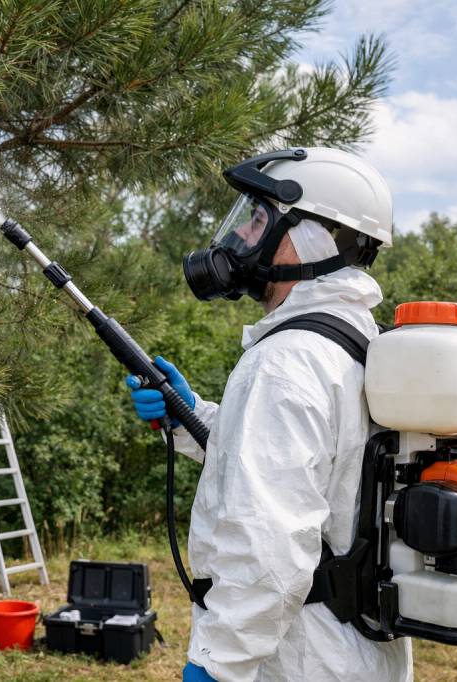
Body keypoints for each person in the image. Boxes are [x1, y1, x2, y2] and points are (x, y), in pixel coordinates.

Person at [126, 148, 413, 681]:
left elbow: (269, 545)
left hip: (298, 657)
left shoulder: (285, 361)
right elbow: (314, 472)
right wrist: (190, 417)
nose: (240, 238)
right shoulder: (359, 343)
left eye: (258, 220)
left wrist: (218, 665)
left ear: (310, 236)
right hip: (356, 651)